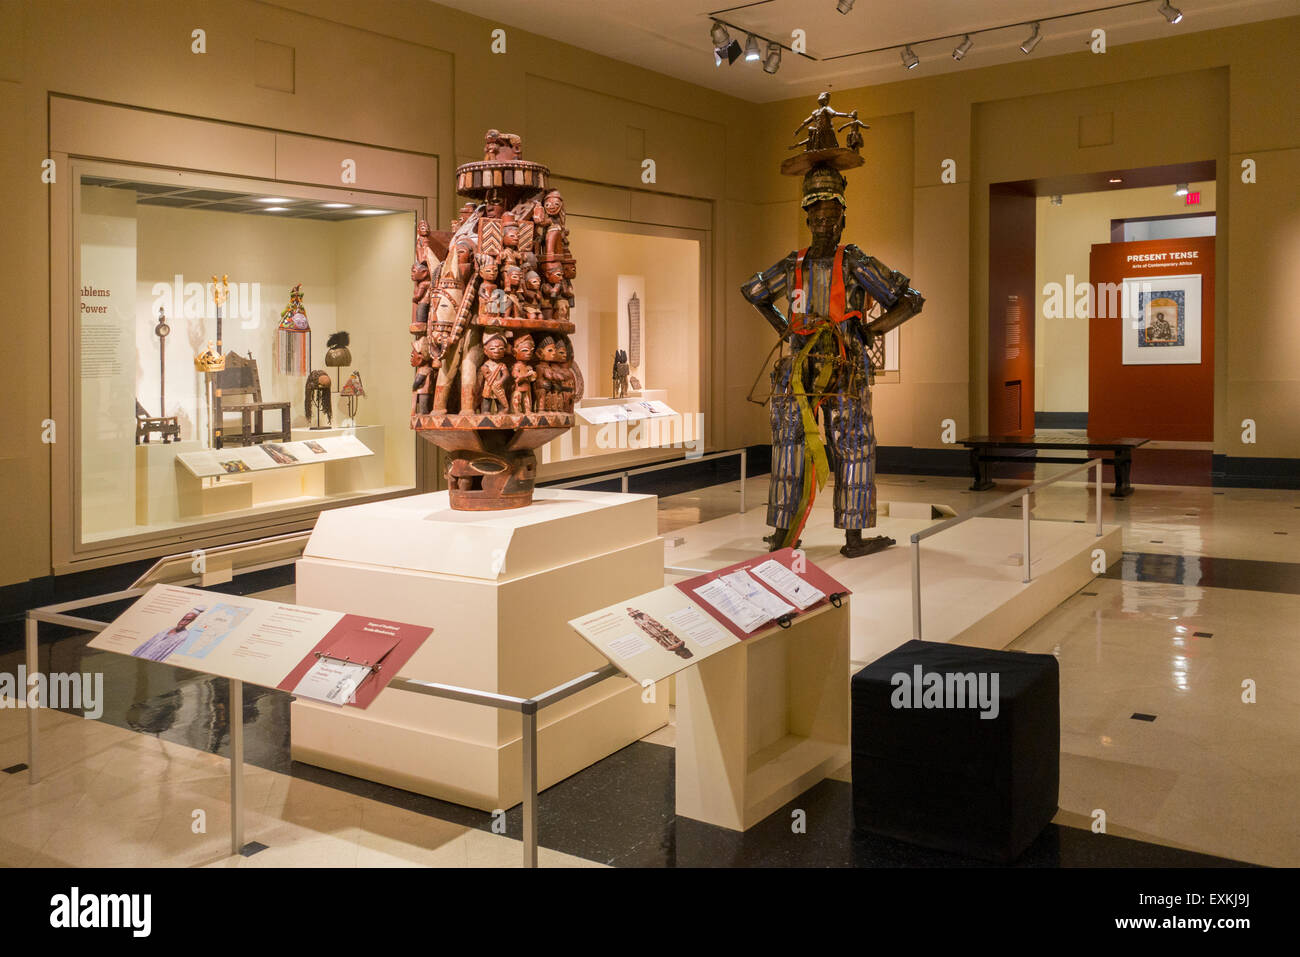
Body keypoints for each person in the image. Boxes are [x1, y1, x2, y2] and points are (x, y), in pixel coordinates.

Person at [742, 160, 924, 558]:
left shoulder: (855, 262)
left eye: (832, 216)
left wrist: (872, 330)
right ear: (808, 218)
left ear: (843, 217)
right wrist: (783, 328)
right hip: (797, 371)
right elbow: (754, 291)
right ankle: (782, 534)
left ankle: (854, 537)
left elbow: (911, 301)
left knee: (854, 445)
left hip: (847, 370)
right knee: (789, 445)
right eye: (817, 216)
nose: (825, 224)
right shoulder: (793, 265)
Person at [133, 607, 206, 661]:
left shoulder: (184, 635)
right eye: (183, 619)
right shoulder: (168, 629)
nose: (183, 622)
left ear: (191, 621)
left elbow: (169, 652)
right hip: (140, 655)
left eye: (188, 620)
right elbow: (148, 643)